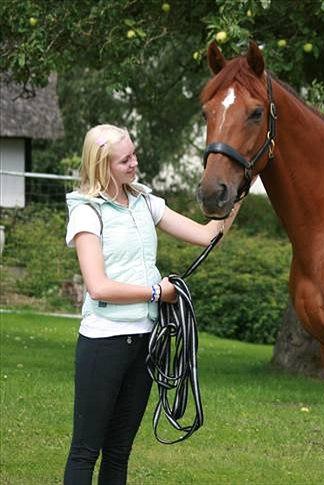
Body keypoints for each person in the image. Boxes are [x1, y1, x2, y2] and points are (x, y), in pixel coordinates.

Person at [63, 124, 239, 484]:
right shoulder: (87, 213)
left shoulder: (145, 202)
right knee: (85, 451)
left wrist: (237, 191)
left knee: (118, 450)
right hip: (104, 344)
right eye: (125, 159)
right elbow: (98, 287)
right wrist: (157, 293)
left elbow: (207, 235)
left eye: (134, 154)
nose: (134, 163)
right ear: (102, 166)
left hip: (145, 342)